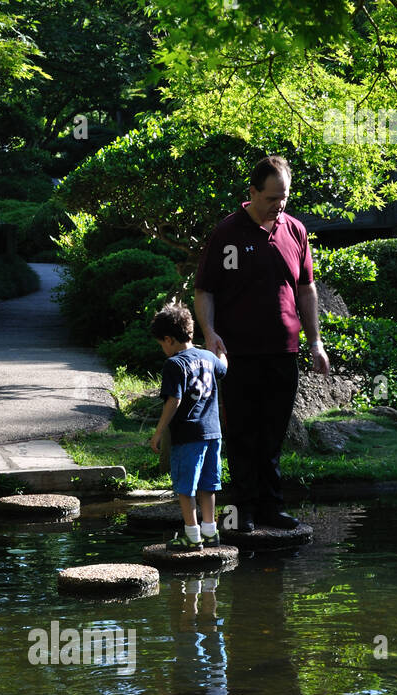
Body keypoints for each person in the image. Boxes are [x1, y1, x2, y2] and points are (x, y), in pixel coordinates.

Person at [194, 154, 330, 534]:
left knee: (272, 433)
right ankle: (244, 509)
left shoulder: (296, 231)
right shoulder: (228, 233)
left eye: (284, 196)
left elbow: (306, 289)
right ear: (252, 192)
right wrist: (209, 334)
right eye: (272, 198)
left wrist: (315, 341)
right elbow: (204, 289)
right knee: (242, 433)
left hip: (283, 350)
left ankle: (272, 506)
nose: (279, 205)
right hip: (237, 353)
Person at [149, 302, 227, 551]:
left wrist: (159, 431)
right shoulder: (207, 357)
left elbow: (175, 399)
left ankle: (192, 537)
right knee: (208, 484)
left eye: (161, 344)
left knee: (185, 487)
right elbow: (224, 368)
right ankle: (210, 533)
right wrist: (220, 349)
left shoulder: (174, 364)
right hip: (213, 433)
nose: (163, 349)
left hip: (188, 435)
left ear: (169, 339)